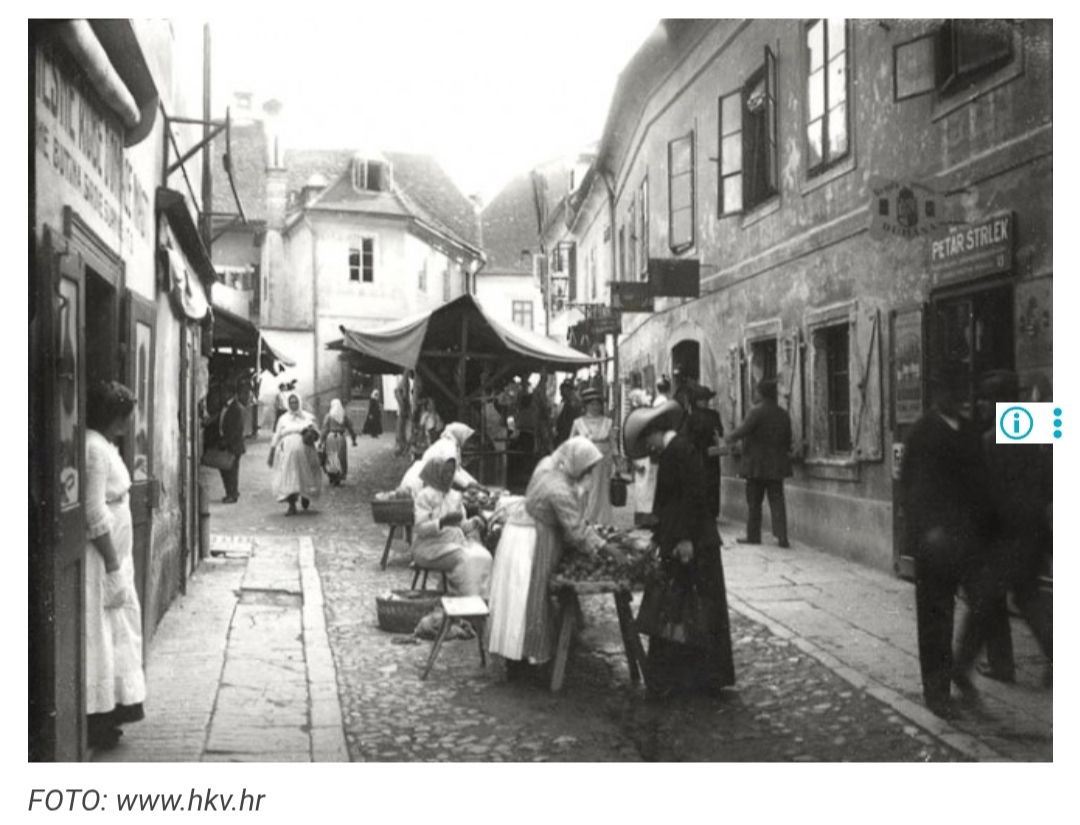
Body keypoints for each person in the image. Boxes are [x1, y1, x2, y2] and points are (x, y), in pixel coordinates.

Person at [899, 368, 996, 719]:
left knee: (987, 602)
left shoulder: (971, 432)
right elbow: (909, 487)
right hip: (935, 540)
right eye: (950, 391)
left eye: (961, 392)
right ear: (937, 394)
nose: (957, 399)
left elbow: (982, 483)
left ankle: (961, 666)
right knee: (936, 617)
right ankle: (937, 690)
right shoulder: (922, 432)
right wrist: (925, 531)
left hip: (970, 538)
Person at [624, 400, 736, 699]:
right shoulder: (675, 452)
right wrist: (662, 538)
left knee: (689, 607)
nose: (648, 448)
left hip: (693, 543)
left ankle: (697, 678)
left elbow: (692, 499)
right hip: (684, 541)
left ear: (655, 433)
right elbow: (672, 504)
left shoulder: (679, 452)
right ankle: (688, 677)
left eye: (647, 441)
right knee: (679, 608)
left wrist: (684, 540)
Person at [953, 370, 1053, 690]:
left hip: (1004, 536)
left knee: (985, 601)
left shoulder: (990, 440)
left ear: (999, 401)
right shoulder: (1037, 431)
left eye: (987, 398)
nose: (981, 404)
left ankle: (975, 666)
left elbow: (985, 492)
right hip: (1033, 531)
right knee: (1029, 599)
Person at [487, 437, 612, 674]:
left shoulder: (549, 466)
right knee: (526, 599)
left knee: (518, 600)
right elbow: (576, 531)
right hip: (528, 540)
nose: (589, 475)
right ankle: (524, 660)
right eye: (587, 469)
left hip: (521, 533)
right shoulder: (559, 489)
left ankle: (516, 658)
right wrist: (606, 548)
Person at [84, 380, 146, 749]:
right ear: (111, 415)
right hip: (101, 562)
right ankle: (98, 718)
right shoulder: (94, 448)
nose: (127, 423)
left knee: (120, 634)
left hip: (116, 558)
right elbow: (93, 510)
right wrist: (111, 562)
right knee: (103, 638)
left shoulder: (105, 444)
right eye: (123, 416)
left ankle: (114, 711)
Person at [410, 456, 493, 597]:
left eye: (451, 472)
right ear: (436, 472)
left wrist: (474, 523)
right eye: (445, 472)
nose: (449, 476)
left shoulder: (455, 496)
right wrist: (441, 522)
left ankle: (481, 599)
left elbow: (461, 525)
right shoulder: (424, 496)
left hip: (454, 543)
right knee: (465, 559)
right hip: (429, 547)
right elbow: (420, 529)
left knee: (485, 557)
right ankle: (463, 598)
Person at [725, 378, 792, 548]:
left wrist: (729, 437)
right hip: (777, 466)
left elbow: (743, 430)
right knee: (777, 501)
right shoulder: (783, 414)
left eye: (756, 391)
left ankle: (753, 535)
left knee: (754, 502)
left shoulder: (756, 412)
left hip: (757, 467)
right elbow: (788, 440)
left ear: (761, 393)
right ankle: (782, 536)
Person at [269, 392, 322, 516]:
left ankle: (305, 494)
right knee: (290, 477)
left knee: (305, 475)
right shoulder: (283, 419)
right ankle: (291, 504)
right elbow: (277, 435)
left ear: (299, 402)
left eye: (295, 402)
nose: (293, 404)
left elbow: (316, 434)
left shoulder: (308, 417)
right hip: (287, 453)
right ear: (288, 403)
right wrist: (271, 452)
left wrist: (311, 435)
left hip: (305, 452)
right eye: (291, 402)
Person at [570, 387, 616, 525]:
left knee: (600, 491)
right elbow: (571, 444)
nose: (595, 407)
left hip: (603, 461)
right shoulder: (578, 423)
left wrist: (616, 461)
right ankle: (584, 520)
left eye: (598, 404)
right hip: (584, 462)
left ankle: (599, 522)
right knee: (584, 490)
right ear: (585, 406)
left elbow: (613, 444)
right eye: (592, 404)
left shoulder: (607, 422)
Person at [400, 422, 481, 495]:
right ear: (460, 436)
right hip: (421, 479)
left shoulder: (449, 444)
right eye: (466, 439)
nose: (468, 443)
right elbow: (451, 471)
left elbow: (458, 469)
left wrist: (473, 483)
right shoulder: (449, 447)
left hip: (425, 477)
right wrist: (468, 485)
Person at [683, 385, 724, 520]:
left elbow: (687, 438)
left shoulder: (691, 418)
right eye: (703, 399)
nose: (705, 402)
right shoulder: (713, 415)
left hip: (699, 456)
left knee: (702, 484)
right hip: (710, 456)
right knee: (711, 484)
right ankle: (710, 513)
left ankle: (703, 513)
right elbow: (720, 433)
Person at [216, 378, 252, 503]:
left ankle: (232, 494)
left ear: (231, 393)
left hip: (233, 445)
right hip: (228, 444)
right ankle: (231, 492)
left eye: (225, 392)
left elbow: (237, 429)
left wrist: (226, 441)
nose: (223, 394)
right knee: (226, 470)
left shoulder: (236, 408)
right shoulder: (226, 406)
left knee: (231, 471)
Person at [320, 398, 357, 486]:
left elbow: (325, 429)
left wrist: (321, 440)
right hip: (341, 438)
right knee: (341, 457)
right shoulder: (344, 416)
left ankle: (332, 476)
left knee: (332, 456)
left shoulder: (329, 416)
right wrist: (353, 439)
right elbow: (350, 428)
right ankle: (339, 476)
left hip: (331, 438)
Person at [554, 380, 581, 446]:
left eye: (563, 390)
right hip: (563, 433)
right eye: (561, 390)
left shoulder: (574, 403)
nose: (561, 393)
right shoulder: (566, 402)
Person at [394, 372, 412, 455]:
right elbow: (397, 391)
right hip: (405, 409)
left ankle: (403, 447)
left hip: (406, 410)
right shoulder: (404, 382)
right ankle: (402, 447)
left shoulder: (406, 382)